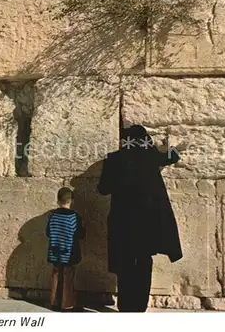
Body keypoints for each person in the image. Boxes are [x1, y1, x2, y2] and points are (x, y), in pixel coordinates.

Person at [97, 125, 183, 312]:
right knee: (144, 261)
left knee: (125, 262)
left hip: (123, 222)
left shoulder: (114, 159)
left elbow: (102, 189)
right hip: (147, 223)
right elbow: (173, 156)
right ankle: (139, 306)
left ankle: (126, 306)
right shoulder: (150, 156)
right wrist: (172, 144)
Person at [46, 187, 86, 312]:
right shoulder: (74, 217)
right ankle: (67, 305)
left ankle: (54, 302)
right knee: (68, 277)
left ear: (58, 200)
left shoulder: (53, 215)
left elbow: (48, 232)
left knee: (56, 275)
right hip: (69, 253)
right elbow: (80, 234)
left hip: (55, 251)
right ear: (71, 200)